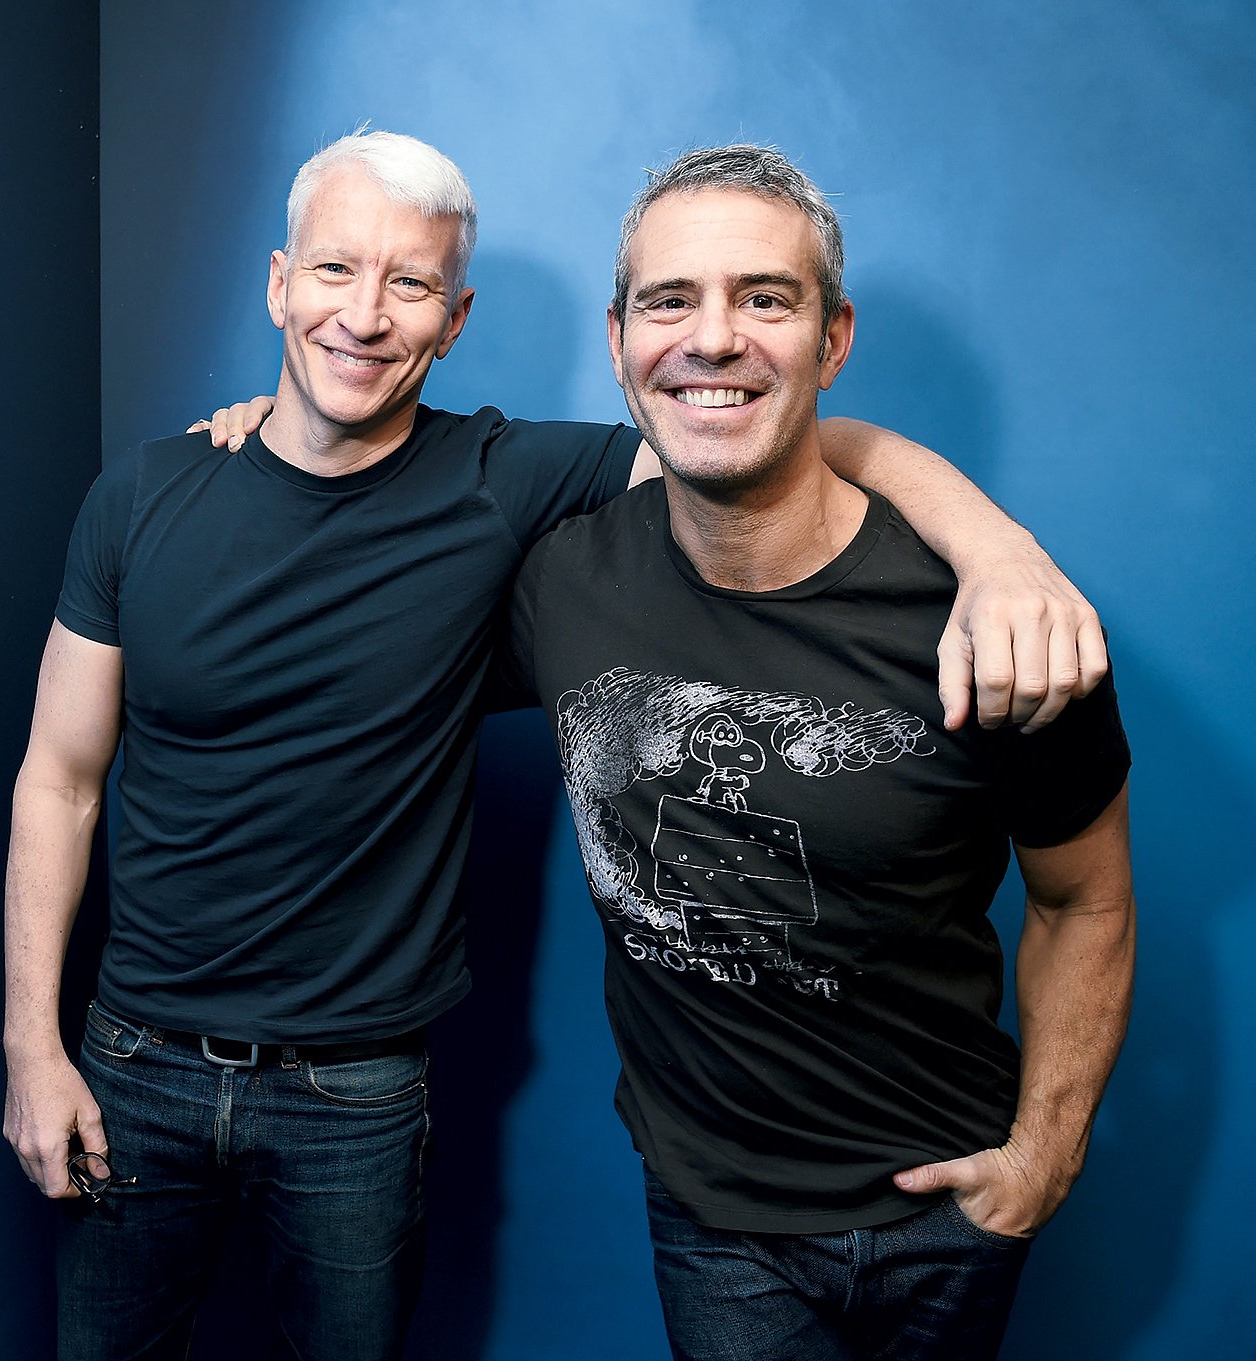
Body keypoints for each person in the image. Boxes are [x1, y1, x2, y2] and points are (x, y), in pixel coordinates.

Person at [3, 130, 1106, 1360]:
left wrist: (997, 547)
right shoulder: (147, 496)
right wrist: (28, 1043)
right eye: (333, 273)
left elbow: (753, 426)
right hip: (132, 1059)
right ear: (277, 284)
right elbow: (59, 778)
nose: (364, 315)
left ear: (455, 317)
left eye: (409, 284)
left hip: (355, 1091)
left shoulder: (505, 481)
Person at [505, 144, 1135, 1359]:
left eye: (766, 298)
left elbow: (1085, 899)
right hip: (712, 1218)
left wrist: (1043, 1156)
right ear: (621, 338)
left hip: (947, 1207)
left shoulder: (997, 624)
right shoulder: (561, 580)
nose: (715, 337)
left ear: (832, 339)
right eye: (671, 299)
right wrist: (285, 413)